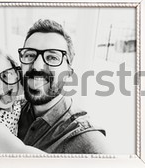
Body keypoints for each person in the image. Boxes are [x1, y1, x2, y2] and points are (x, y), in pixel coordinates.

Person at [17, 19, 109, 154]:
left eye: (52, 57)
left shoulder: (89, 143)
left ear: (68, 73)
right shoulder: (8, 111)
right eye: (30, 55)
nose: (37, 66)